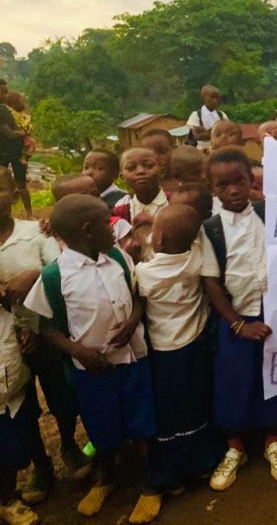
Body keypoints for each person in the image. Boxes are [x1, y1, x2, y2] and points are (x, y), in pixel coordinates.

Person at [24, 195, 156, 521]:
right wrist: (77, 351)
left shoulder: (119, 258)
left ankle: (151, 485)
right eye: (106, 223)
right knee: (102, 427)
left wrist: (132, 322)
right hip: (92, 369)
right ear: (87, 230)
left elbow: (138, 296)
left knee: (141, 423)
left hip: (132, 360)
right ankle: (106, 478)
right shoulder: (55, 276)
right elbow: (45, 325)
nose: (113, 229)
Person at [200, 147, 277, 491]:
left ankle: (274, 440)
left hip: (273, 313)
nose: (233, 190)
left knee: (273, 374)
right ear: (212, 188)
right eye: (223, 185)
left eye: (239, 181)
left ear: (251, 179)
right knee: (234, 379)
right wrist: (238, 324)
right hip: (235, 318)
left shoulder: (270, 214)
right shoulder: (210, 230)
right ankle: (235, 446)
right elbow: (211, 283)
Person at [0, 166, 85, 508]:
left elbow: (64, 267)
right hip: (6, 344)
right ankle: (41, 466)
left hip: (46, 335)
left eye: (0, 189)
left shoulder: (35, 232)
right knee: (22, 406)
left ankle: (68, 442)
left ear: (13, 193)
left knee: (60, 394)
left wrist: (35, 273)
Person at [134, 205, 226, 519]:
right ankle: (203, 462)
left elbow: (139, 291)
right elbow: (190, 238)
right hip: (195, 346)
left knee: (169, 413)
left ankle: (172, 474)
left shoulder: (144, 273)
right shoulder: (196, 258)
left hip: (164, 353)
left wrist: (145, 234)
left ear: (157, 240)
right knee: (196, 405)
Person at [0, 303, 41, 525]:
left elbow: (25, 312)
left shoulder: (7, 309)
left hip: (12, 393)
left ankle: (8, 498)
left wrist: (29, 331)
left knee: (12, 450)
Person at [0, 79, 32, 218]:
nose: (6, 95)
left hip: (17, 151)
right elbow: (9, 134)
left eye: (6, 92)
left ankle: (29, 213)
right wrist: (23, 133)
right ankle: (6, 214)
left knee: (21, 184)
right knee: (3, 186)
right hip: (2, 153)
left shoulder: (7, 110)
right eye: (3, 92)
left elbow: (17, 125)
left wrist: (22, 131)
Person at [186, 85, 228, 150]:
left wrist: (207, 132)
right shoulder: (196, 115)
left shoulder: (222, 115)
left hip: (221, 149)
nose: (215, 100)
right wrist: (217, 132)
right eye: (212, 97)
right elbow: (197, 136)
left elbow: (227, 133)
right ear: (203, 98)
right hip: (202, 150)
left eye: (217, 97)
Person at [5, 92, 35, 167]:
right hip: (18, 137)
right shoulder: (12, 113)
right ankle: (23, 157)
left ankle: (23, 157)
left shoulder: (13, 113)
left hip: (15, 140)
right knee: (31, 143)